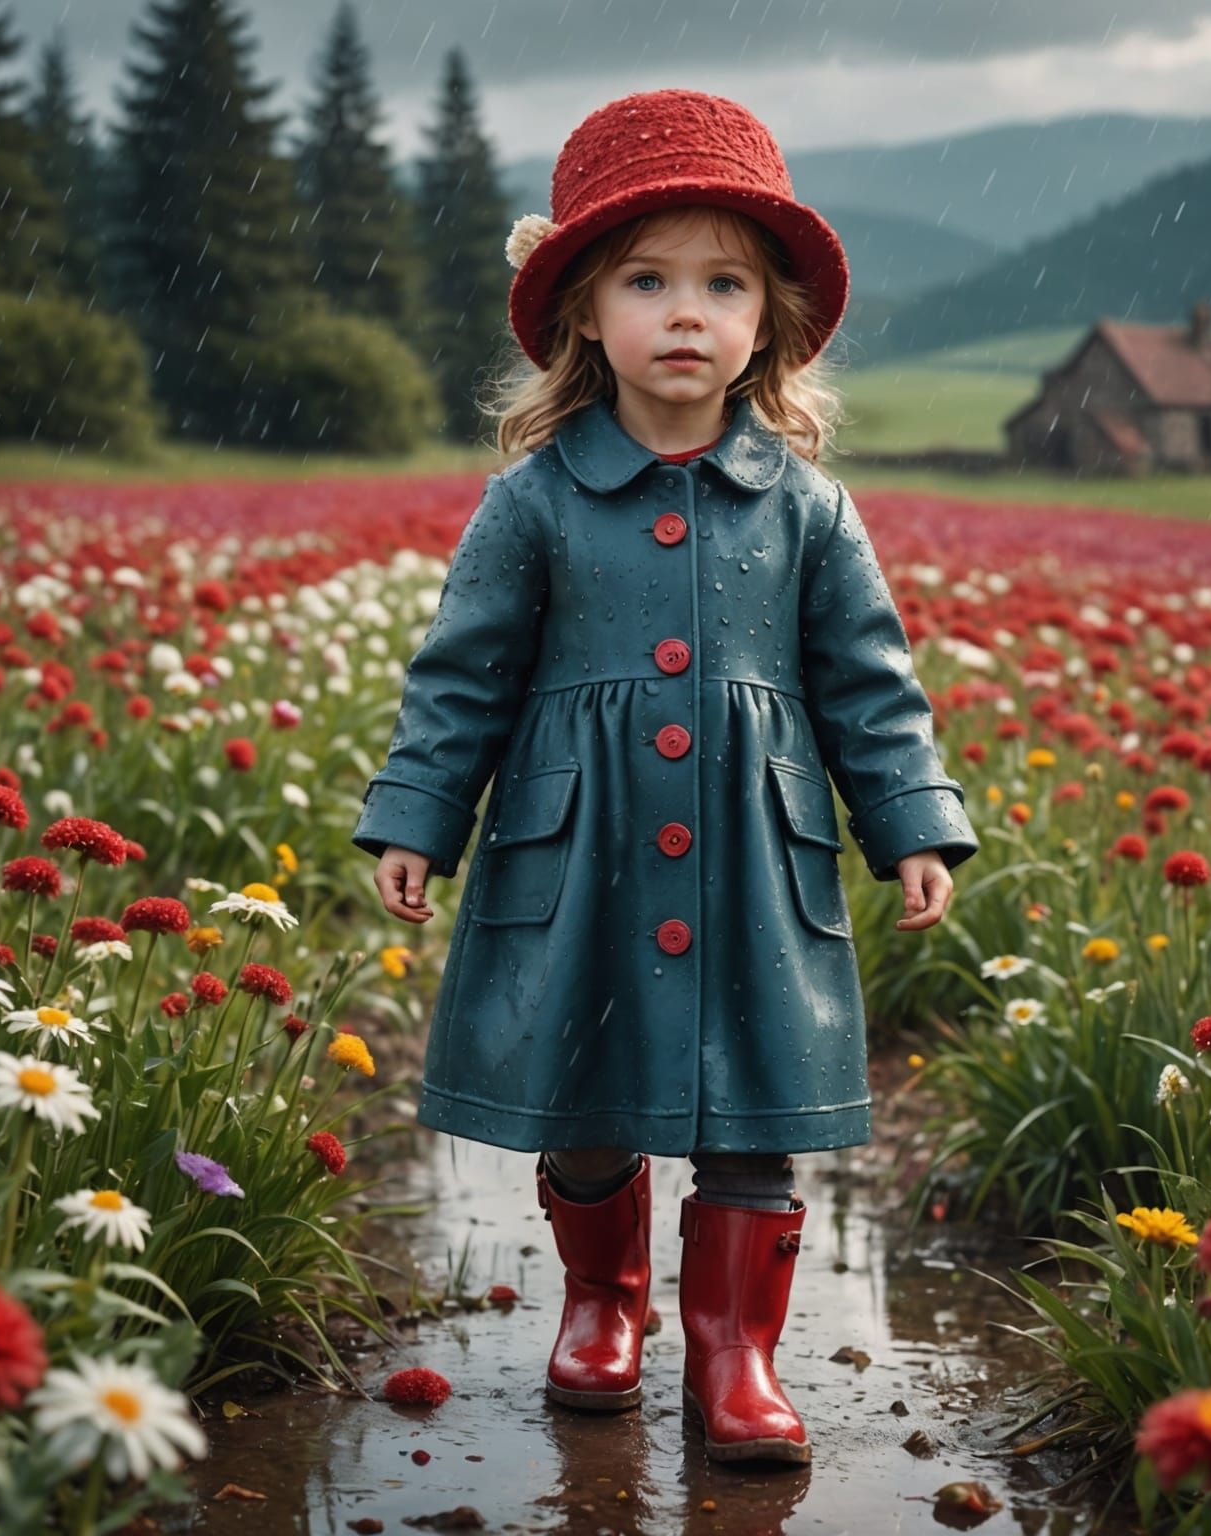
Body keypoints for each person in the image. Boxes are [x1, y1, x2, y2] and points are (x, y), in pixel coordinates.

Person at [354, 88, 979, 1467]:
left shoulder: (808, 506)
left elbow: (870, 684)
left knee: (753, 1093)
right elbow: (462, 675)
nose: (686, 313)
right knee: (586, 1080)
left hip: (755, 847)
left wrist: (911, 824)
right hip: (579, 848)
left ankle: (735, 1352)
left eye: (724, 283)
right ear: (583, 311)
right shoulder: (533, 499)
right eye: (648, 280)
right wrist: (418, 816)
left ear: (772, 322)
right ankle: (601, 1300)